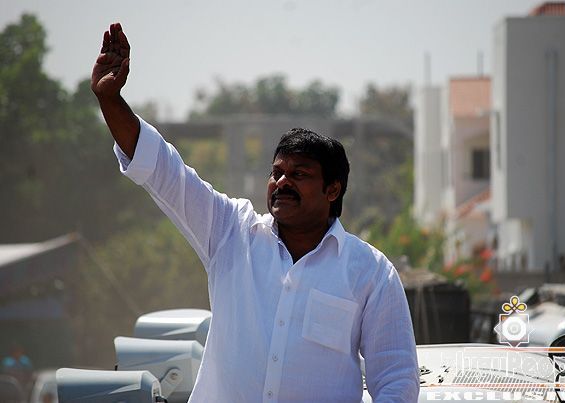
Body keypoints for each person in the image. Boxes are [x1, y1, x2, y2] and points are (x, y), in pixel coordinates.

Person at [92, 22, 419, 402]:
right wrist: (110, 100)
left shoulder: (371, 272)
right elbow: (164, 171)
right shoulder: (232, 232)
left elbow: (396, 379)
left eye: (299, 174)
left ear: (333, 189)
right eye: (277, 172)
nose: (282, 182)